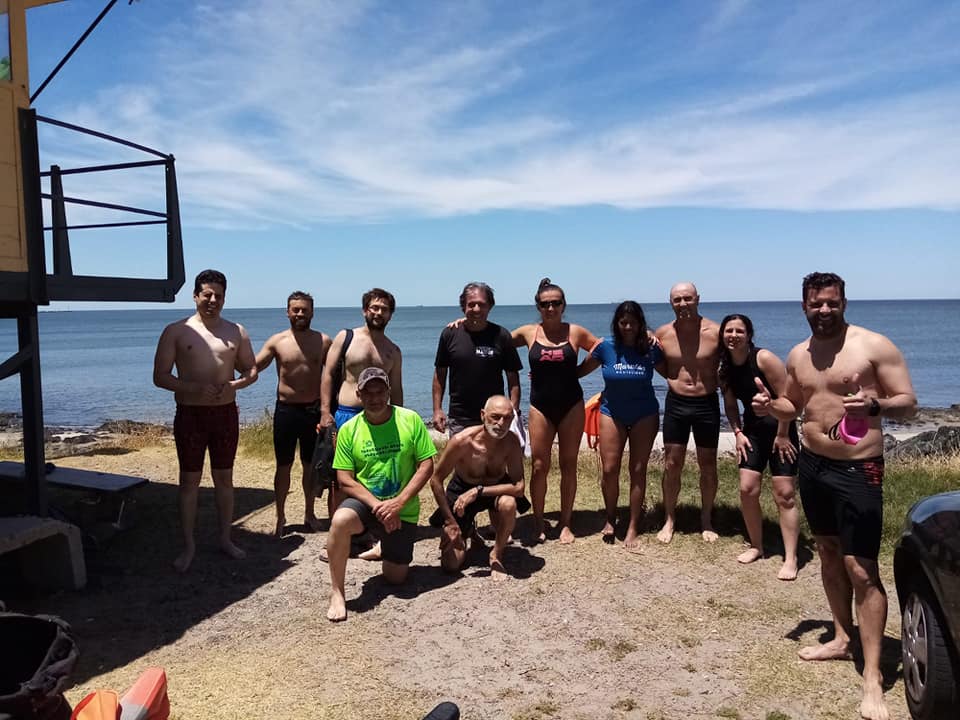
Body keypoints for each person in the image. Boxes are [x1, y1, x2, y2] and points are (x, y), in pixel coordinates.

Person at [753, 272, 916, 720]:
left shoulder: (873, 346)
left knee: (861, 569)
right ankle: (843, 640)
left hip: (859, 468)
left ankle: (873, 678)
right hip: (813, 466)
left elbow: (909, 401)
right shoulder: (798, 355)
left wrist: (877, 406)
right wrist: (771, 409)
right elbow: (794, 403)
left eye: (831, 302)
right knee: (827, 552)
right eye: (815, 304)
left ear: (844, 302)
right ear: (803, 306)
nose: (824, 310)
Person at [153, 269, 258, 572]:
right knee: (189, 481)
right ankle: (189, 546)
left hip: (225, 415)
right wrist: (194, 388)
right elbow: (160, 376)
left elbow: (250, 370)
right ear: (196, 296)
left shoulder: (236, 331)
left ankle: (225, 539)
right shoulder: (177, 331)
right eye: (207, 294)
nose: (212, 300)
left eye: (218, 296)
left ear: (225, 298)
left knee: (224, 479)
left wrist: (234, 386)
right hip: (191, 414)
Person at [325, 367, 437, 622]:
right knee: (340, 521)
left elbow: (426, 465)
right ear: (359, 394)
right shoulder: (350, 429)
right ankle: (337, 592)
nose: (375, 398)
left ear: (388, 392)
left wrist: (398, 504)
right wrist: (379, 506)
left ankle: (382, 547)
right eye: (368, 393)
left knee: (396, 579)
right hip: (366, 503)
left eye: (380, 391)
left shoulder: (409, 419)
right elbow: (344, 479)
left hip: (402, 507)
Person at [513, 278, 599, 544]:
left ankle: (565, 522)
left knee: (568, 464)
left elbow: (601, 349)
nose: (550, 308)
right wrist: (461, 326)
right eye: (545, 304)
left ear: (563, 305)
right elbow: (495, 340)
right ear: (538, 306)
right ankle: (539, 522)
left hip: (571, 405)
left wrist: (579, 372)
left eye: (555, 303)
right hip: (540, 406)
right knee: (540, 466)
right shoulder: (529, 332)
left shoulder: (575, 332)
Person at [718, 314, 800, 580]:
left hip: (781, 430)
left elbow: (788, 400)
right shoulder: (725, 368)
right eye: (728, 331)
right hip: (752, 432)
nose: (733, 335)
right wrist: (738, 432)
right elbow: (731, 405)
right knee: (747, 489)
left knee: (784, 493)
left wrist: (784, 433)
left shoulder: (763, 358)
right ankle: (757, 546)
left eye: (739, 331)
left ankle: (791, 557)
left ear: (749, 334)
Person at [578, 301, 664, 551]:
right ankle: (610, 517)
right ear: (617, 323)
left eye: (633, 322)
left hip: (644, 414)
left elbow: (672, 373)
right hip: (611, 413)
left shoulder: (649, 348)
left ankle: (634, 526)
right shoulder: (605, 347)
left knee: (638, 469)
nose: (628, 327)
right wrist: (545, 374)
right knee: (610, 469)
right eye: (623, 322)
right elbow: (579, 372)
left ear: (640, 324)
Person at [255, 291, 332, 536]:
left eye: (304, 310)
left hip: (312, 411)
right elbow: (254, 367)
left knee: (310, 467)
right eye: (295, 309)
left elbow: (335, 376)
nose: (300, 314)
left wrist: (327, 411)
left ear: (312, 312)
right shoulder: (277, 341)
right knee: (283, 466)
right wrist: (227, 379)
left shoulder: (323, 341)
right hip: (286, 411)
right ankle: (280, 516)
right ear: (287, 312)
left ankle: (309, 514)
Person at [429, 395, 526, 578]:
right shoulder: (461, 442)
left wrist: (479, 491)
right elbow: (436, 480)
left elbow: (519, 487)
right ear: (483, 415)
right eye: (495, 417)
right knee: (451, 565)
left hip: (493, 488)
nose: (501, 423)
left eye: (507, 418)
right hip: (461, 490)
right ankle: (468, 530)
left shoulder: (511, 442)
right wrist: (449, 521)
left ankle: (496, 554)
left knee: (509, 504)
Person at [654, 282, 721, 544]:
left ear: (698, 299)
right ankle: (669, 519)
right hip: (676, 403)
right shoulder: (662, 334)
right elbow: (656, 361)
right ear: (671, 303)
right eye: (677, 300)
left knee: (708, 464)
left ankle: (706, 519)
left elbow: (734, 361)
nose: (682, 304)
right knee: (672, 464)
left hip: (707, 403)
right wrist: (673, 378)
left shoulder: (716, 332)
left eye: (687, 298)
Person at [432, 282, 522, 436]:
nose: (476, 309)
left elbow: (513, 378)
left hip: (495, 416)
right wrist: (437, 409)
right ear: (463, 306)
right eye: (471, 304)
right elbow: (440, 374)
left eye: (482, 304)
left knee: (496, 460)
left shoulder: (501, 335)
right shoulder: (450, 334)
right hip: (460, 417)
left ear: (490, 306)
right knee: (461, 460)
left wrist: (512, 409)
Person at [320, 288, 403, 431]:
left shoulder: (393, 351)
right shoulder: (346, 337)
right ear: (365, 311)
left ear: (390, 315)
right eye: (374, 308)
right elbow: (327, 374)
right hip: (347, 413)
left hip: (379, 417)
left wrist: (399, 419)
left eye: (384, 309)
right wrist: (325, 412)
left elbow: (396, 390)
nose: (379, 313)